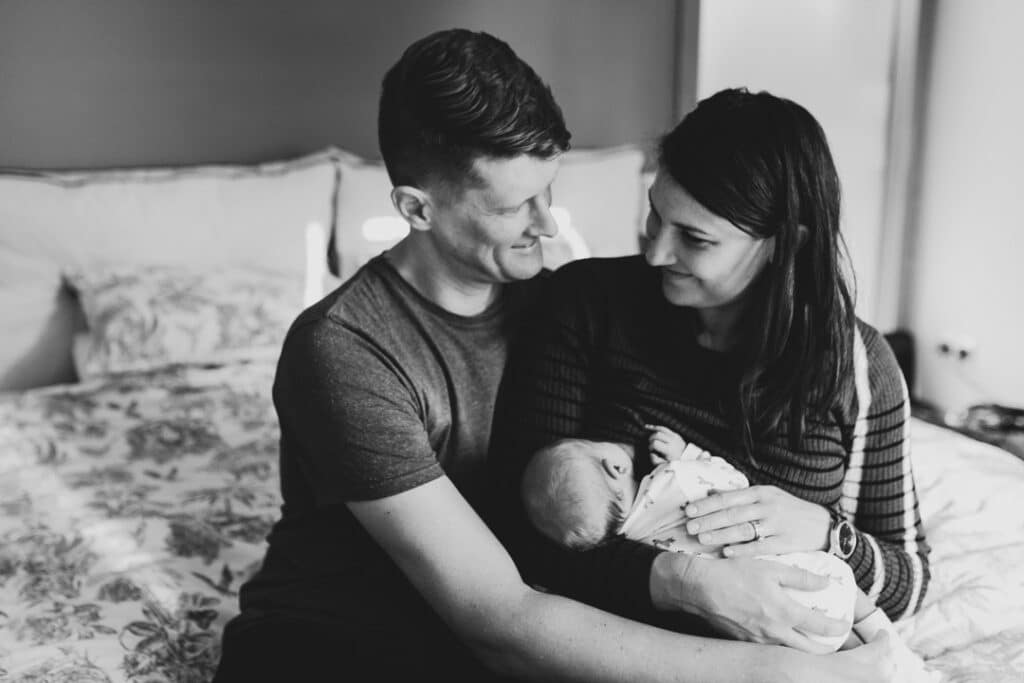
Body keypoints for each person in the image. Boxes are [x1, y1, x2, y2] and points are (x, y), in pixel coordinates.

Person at [214, 33, 899, 681]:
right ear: (417, 209)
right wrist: (783, 669)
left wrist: (821, 535)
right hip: (336, 640)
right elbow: (502, 617)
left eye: (550, 190)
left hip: (502, 638)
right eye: (517, 206)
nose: (549, 225)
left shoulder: (566, 303)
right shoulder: (345, 351)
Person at [489, 87, 931, 656]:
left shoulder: (858, 366)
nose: (655, 254)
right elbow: (519, 530)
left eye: (695, 239)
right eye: (655, 215)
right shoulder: (586, 305)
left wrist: (827, 533)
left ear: (783, 245)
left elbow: (911, 578)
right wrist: (688, 584)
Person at [521, 426, 858, 653]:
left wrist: (827, 528)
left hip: (776, 643)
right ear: (614, 467)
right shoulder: (673, 479)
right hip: (816, 587)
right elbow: (733, 483)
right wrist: (688, 454)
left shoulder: (637, 543)